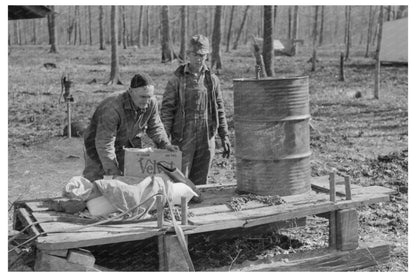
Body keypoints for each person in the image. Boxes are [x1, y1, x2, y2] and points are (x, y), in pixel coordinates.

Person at [161, 34, 231, 186]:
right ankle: (181, 208)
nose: (198, 59)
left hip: (207, 135)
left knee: (201, 181)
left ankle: (198, 209)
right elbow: (167, 110)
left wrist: (224, 135)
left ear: (206, 56)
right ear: (188, 55)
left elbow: (219, 108)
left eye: (202, 55)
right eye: (195, 55)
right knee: (180, 179)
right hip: (183, 136)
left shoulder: (212, 79)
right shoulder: (177, 79)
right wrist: (164, 138)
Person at [83, 72, 178, 181]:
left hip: (125, 145)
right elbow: (105, 144)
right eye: (142, 97)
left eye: (149, 96)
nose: (146, 101)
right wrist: (113, 172)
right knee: (97, 182)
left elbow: (155, 126)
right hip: (96, 147)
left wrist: (166, 145)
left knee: (132, 180)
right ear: (131, 92)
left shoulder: (151, 103)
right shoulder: (112, 108)